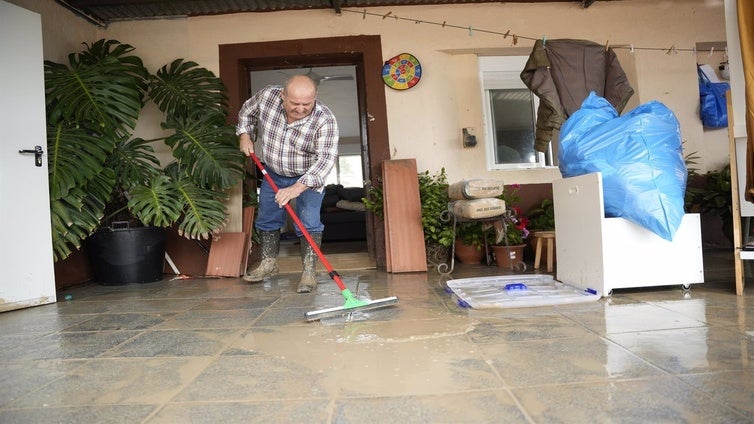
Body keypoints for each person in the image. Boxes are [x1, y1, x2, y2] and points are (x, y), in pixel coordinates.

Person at [237, 74, 339, 293]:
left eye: (307, 104)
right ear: (282, 96)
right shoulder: (267, 97)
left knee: (309, 221)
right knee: (267, 217)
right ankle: (268, 263)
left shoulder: (325, 119)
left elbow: (325, 162)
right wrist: (245, 134)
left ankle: (309, 273)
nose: (301, 108)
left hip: (307, 177)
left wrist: (295, 189)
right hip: (273, 172)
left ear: (315, 97)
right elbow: (247, 111)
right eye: (294, 103)